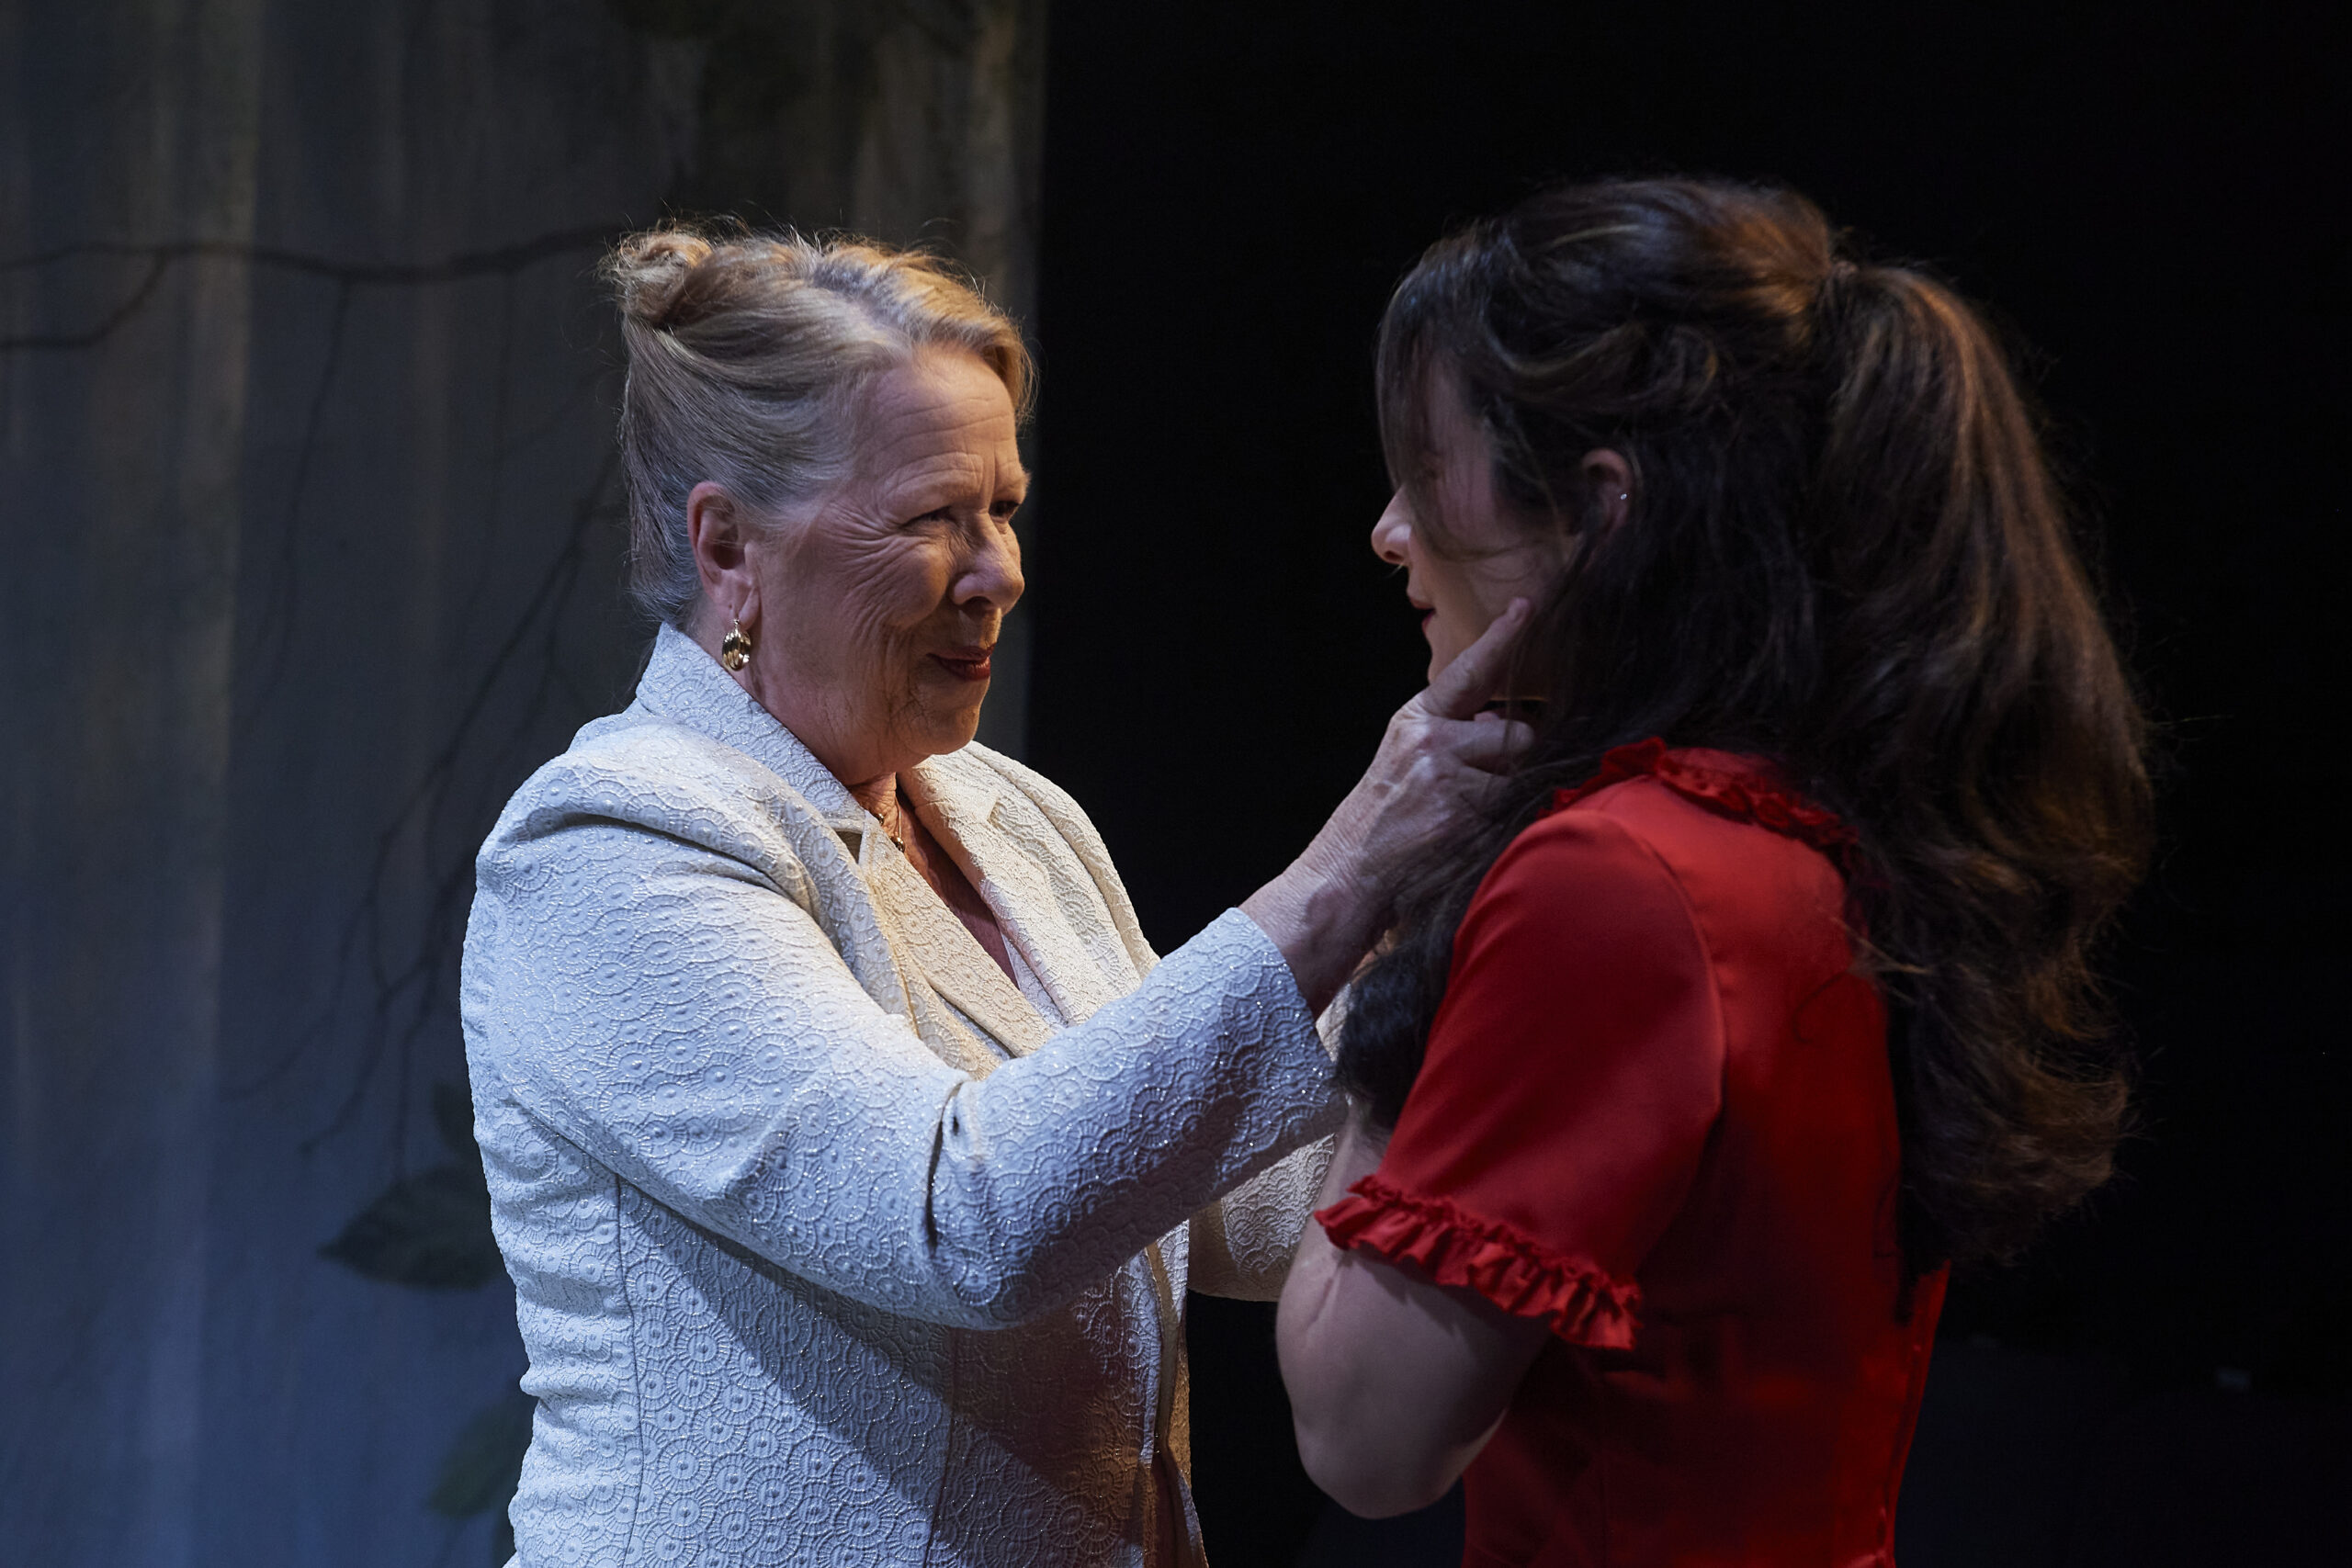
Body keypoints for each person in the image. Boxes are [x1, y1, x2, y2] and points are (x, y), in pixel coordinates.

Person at [458, 226, 1528, 1568]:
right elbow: (965, 1223)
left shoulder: (1010, 818)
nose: (1000, 573)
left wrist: (1461, 933)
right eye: (929, 518)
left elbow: (1233, 1208)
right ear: (727, 544)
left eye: (1004, 509)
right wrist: (1351, 869)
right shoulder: (613, 847)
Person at [1275, 177, 2151, 1566]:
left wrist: (1395, 966)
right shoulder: (1816, 832)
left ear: (1600, 518)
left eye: (1425, 468)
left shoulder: (1617, 881)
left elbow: (1365, 1438)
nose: (1390, 532)